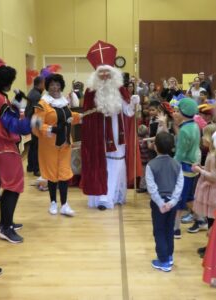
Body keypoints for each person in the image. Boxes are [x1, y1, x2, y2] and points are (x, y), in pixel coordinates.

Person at [81, 40, 142, 210]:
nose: (105, 76)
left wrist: (133, 103)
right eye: (102, 73)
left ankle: (115, 196)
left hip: (116, 132)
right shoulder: (90, 91)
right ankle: (102, 198)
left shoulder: (120, 89)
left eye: (108, 72)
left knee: (116, 163)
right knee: (102, 164)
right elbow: (87, 116)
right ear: (96, 74)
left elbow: (129, 112)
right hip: (98, 136)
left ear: (113, 73)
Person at [0, 54, 41, 246]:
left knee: (10, 185)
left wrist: (16, 102)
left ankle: (5, 222)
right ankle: (5, 227)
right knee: (13, 186)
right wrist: (32, 123)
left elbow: (5, 113)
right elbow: (11, 124)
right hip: (4, 147)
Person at [33, 73, 82, 216]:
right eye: (52, 85)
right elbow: (36, 124)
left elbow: (69, 117)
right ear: (48, 86)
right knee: (52, 174)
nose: (55, 87)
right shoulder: (42, 104)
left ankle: (65, 204)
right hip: (50, 145)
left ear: (61, 86)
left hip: (65, 143)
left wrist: (80, 117)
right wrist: (51, 129)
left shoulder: (64, 102)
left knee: (64, 173)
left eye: (57, 84)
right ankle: (53, 202)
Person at [146, 132, 184, 272]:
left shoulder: (151, 165)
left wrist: (161, 203)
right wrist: (172, 202)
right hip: (172, 204)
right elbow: (180, 185)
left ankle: (163, 261)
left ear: (155, 147)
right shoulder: (177, 164)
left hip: (158, 205)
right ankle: (169, 255)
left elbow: (152, 187)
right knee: (169, 230)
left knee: (159, 231)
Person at [173, 98, 200, 239]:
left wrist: (171, 165)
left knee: (179, 198)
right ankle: (200, 219)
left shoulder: (184, 130)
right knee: (189, 197)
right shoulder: (195, 126)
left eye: (178, 110)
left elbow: (180, 153)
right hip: (194, 166)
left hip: (184, 168)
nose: (176, 112)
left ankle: (176, 229)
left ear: (183, 112)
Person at [191, 125, 216, 257]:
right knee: (210, 220)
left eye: (204, 135)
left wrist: (200, 170)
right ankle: (210, 247)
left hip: (213, 192)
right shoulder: (211, 154)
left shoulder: (214, 156)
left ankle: (212, 250)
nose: (202, 138)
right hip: (209, 190)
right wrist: (201, 167)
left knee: (212, 221)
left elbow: (214, 177)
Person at [25, 76, 45, 176]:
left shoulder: (32, 92)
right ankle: (36, 169)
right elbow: (38, 111)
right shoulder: (36, 95)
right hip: (34, 122)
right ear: (40, 84)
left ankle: (30, 166)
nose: (45, 86)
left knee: (33, 145)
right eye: (44, 83)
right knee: (37, 146)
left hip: (31, 120)